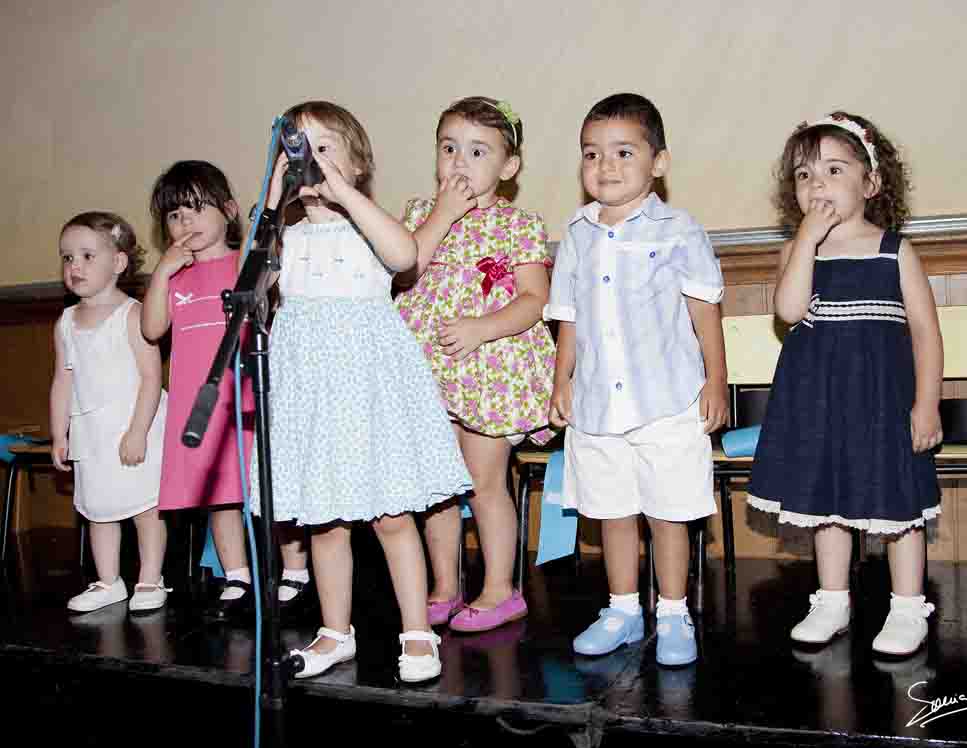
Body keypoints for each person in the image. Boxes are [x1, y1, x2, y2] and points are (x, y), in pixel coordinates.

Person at [253, 100, 471, 681]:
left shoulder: (367, 224)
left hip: (371, 390)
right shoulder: (287, 238)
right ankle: (334, 631)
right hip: (312, 395)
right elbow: (246, 280)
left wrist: (345, 196)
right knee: (323, 522)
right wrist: (274, 200)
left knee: (392, 516)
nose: (311, 161)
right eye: (296, 149)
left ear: (357, 164)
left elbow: (404, 257)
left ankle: (418, 632)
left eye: (324, 148)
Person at [748, 111, 943, 658]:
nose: (818, 185)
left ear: (871, 182)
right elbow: (788, 311)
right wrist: (806, 241)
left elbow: (927, 333)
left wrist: (926, 404)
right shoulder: (797, 252)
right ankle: (832, 599)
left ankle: (908, 607)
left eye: (834, 170)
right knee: (826, 504)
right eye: (805, 175)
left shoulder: (893, 250)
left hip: (882, 404)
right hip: (819, 404)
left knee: (897, 506)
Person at [547, 93, 728, 666]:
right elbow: (568, 317)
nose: (606, 166)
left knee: (667, 511)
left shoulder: (679, 230)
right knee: (612, 511)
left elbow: (705, 310)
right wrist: (562, 379)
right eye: (592, 154)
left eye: (624, 152)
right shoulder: (576, 233)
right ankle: (622, 609)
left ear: (659, 162)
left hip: (667, 401)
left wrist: (716, 380)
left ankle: (673, 612)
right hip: (598, 405)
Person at [394, 96, 556, 632]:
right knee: (437, 485)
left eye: (477, 150)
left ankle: (499, 589)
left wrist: (481, 328)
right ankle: (443, 586)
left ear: (508, 168)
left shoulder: (519, 224)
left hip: (491, 366)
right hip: (428, 368)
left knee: (485, 480)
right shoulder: (420, 214)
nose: (459, 162)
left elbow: (534, 299)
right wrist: (443, 214)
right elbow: (404, 269)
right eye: (449, 148)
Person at [142, 161, 260, 620]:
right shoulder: (175, 278)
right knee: (221, 495)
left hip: (248, 397)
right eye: (174, 215)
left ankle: (291, 570)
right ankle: (236, 574)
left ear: (229, 211)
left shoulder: (245, 261)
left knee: (262, 486)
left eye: (195, 208)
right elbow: (153, 329)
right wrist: (161, 273)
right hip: (200, 405)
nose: (184, 221)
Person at [51, 212, 169, 613]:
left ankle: (151, 578)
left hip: (135, 424)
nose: (75, 266)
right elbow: (62, 381)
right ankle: (108, 581)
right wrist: (59, 434)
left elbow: (152, 378)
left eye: (86, 256)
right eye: (67, 258)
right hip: (93, 431)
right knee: (99, 509)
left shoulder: (133, 315)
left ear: (118, 263)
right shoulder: (66, 322)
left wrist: (137, 432)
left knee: (144, 506)